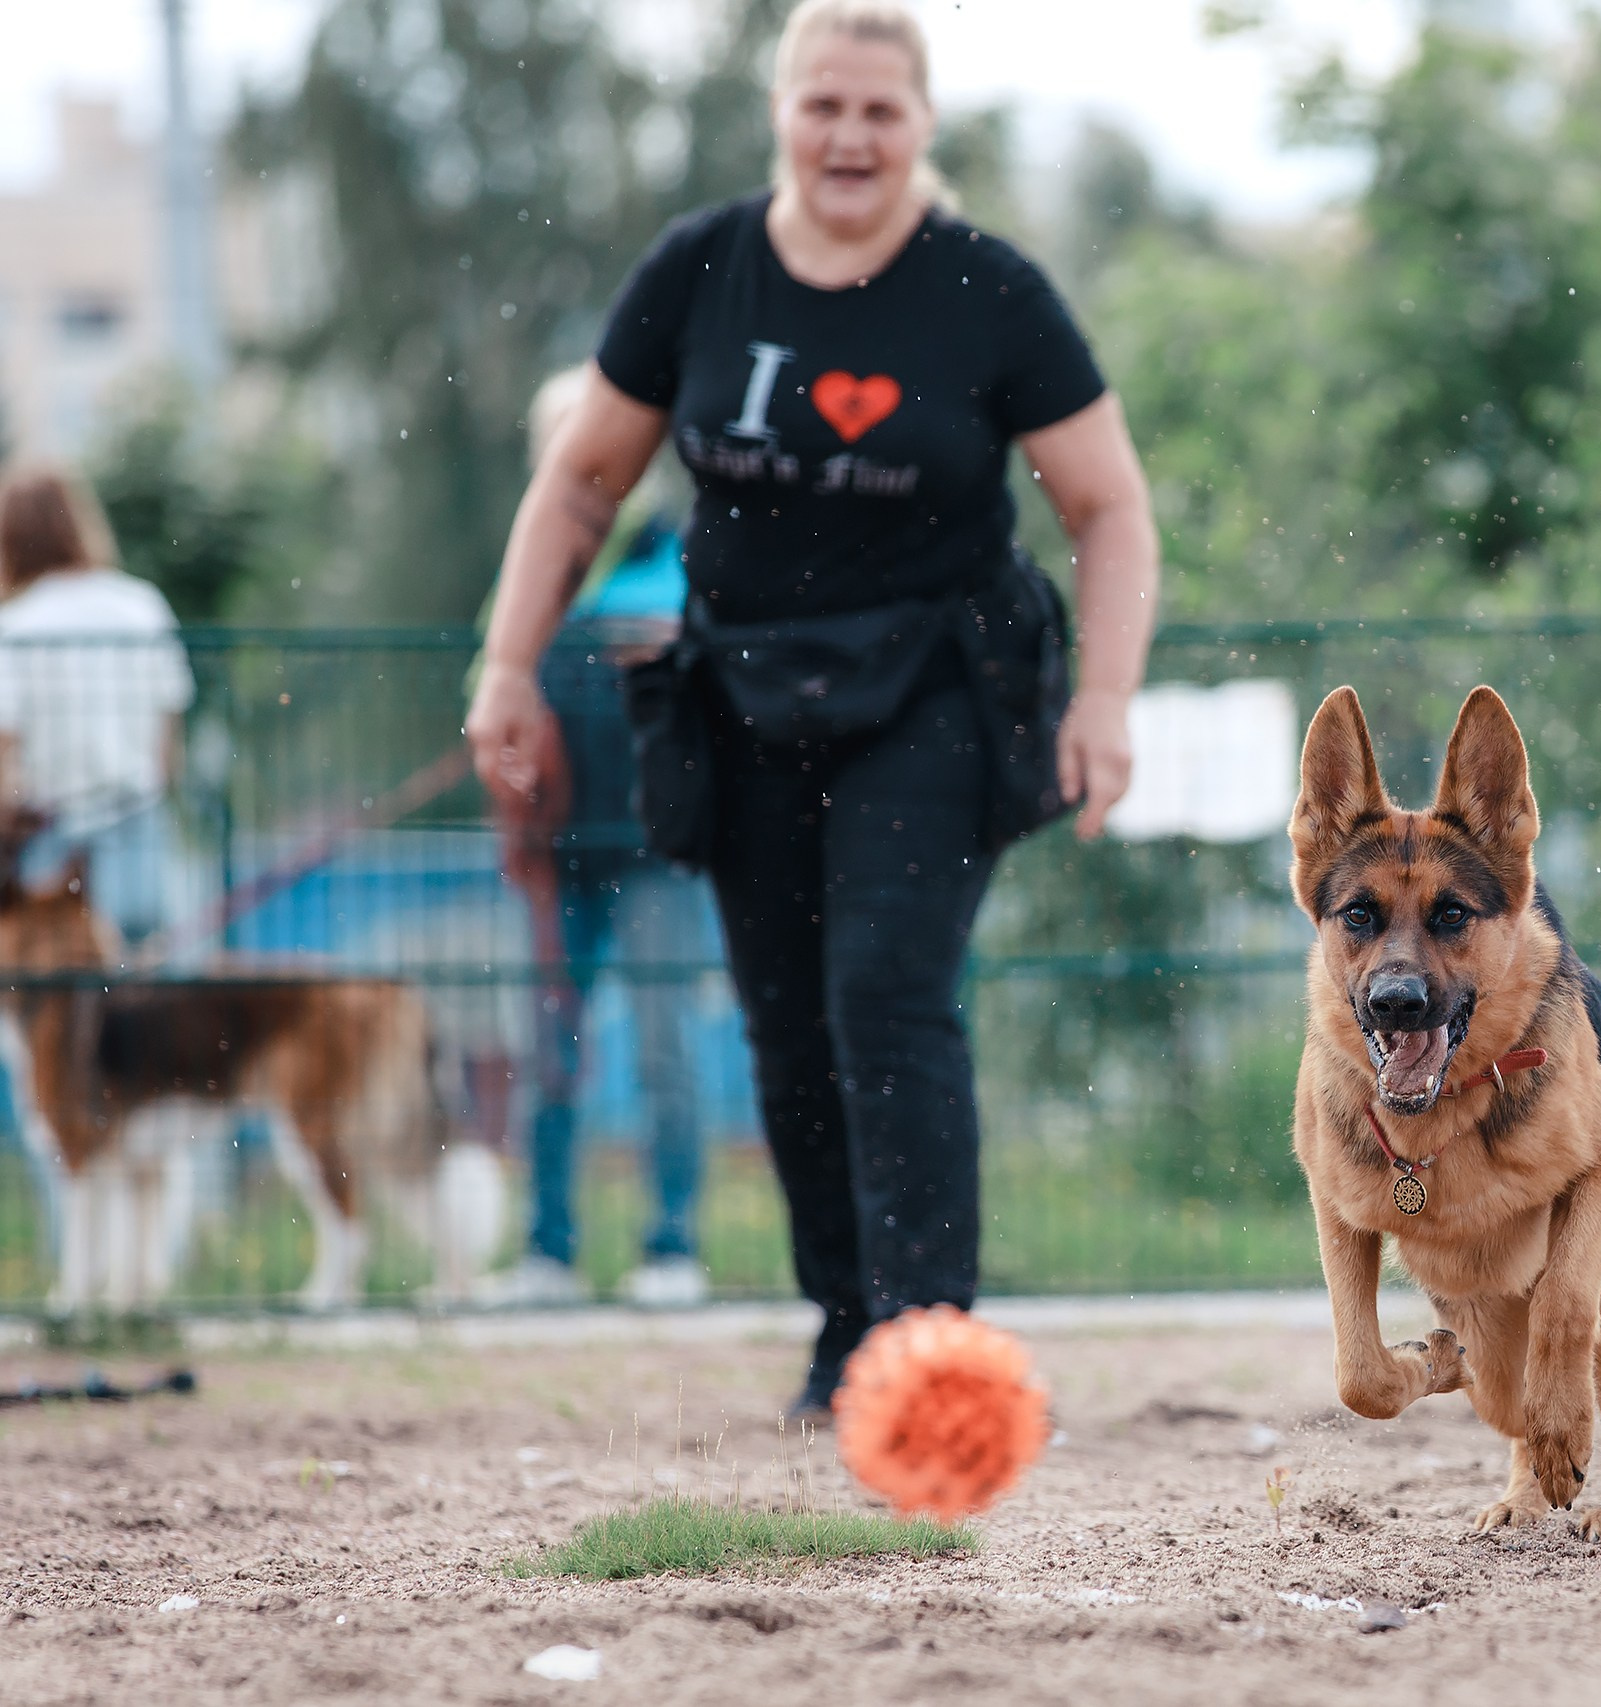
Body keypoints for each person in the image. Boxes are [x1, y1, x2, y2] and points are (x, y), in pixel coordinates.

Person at [464, 0, 1158, 1417]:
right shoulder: (699, 271)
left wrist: (1104, 697)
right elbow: (581, 483)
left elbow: (1109, 506)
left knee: (885, 999)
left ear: (923, 126)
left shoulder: (987, 291)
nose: (850, 136)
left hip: (936, 692)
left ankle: (929, 1348)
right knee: (784, 1026)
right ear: (780, 113)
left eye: (879, 111)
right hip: (742, 694)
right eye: (823, 105)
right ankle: (845, 1329)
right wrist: (508, 663)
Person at [475, 369, 717, 1310]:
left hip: (660, 849)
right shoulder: (530, 574)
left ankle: (673, 1246)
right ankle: (549, 1253)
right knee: (550, 1055)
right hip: (557, 856)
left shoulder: (682, 560)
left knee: (666, 1050)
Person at [0, 465, 193, 946]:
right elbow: (167, 742)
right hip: (139, 823)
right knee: (147, 974)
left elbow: (8, 754)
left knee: (54, 983)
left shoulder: (16, 627)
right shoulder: (141, 606)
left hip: (52, 837)